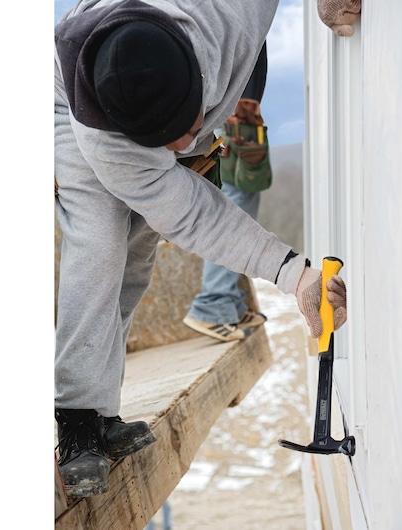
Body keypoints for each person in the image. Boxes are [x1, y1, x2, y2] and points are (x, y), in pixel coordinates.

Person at [54, 0, 348, 499]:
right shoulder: (109, 141)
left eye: (188, 130)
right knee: (101, 242)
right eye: (167, 143)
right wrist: (292, 272)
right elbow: (190, 215)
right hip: (69, 99)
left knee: (139, 254)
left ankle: (104, 412)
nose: (187, 144)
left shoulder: (234, 11)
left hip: (153, 70)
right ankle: (79, 418)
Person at [183, 42, 272, 342]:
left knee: (244, 192)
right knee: (237, 196)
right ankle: (214, 303)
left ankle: (229, 303)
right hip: (231, 107)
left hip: (237, 106)